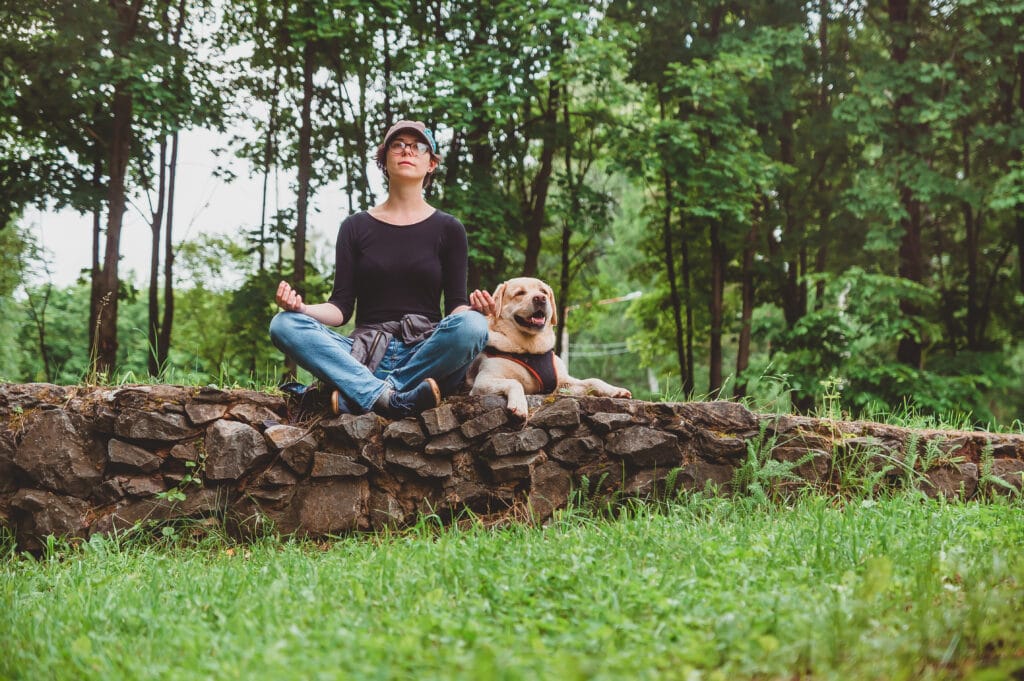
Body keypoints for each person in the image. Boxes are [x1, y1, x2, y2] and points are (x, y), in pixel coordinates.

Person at [269, 119, 494, 418]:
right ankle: (392, 397)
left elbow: (455, 306)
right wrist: (302, 308)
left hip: (424, 354)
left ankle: (366, 394)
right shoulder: (355, 227)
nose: (407, 151)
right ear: (384, 160)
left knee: (474, 327)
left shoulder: (449, 228)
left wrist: (477, 311)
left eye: (418, 146)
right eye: (398, 144)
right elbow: (340, 309)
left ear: (431, 164)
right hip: (364, 354)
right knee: (284, 324)